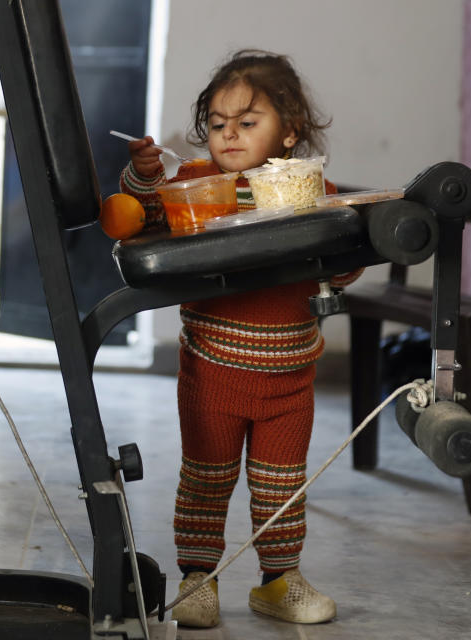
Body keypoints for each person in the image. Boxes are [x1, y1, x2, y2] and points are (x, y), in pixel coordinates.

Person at [119, 50, 362, 628]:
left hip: (289, 379)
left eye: (247, 123)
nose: (230, 136)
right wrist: (147, 176)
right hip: (213, 373)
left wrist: (349, 248)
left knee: (282, 487)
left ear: (289, 132)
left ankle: (279, 581)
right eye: (220, 124)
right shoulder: (196, 185)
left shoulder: (308, 189)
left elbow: (341, 265)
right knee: (206, 479)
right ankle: (197, 578)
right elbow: (146, 217)